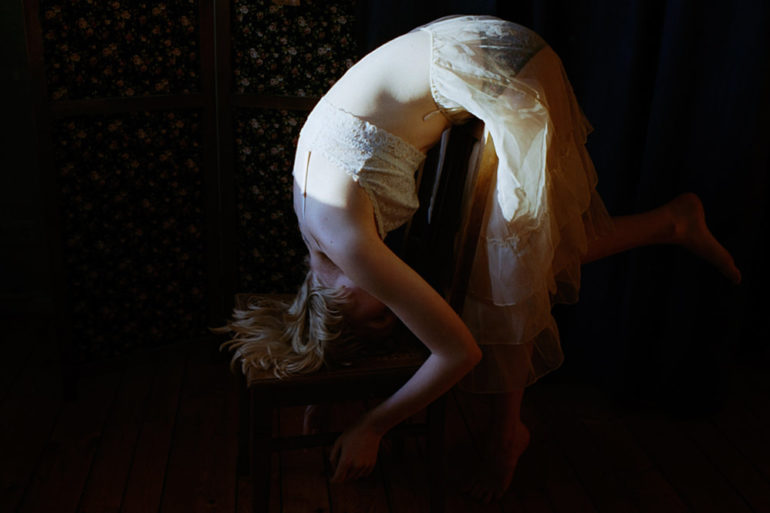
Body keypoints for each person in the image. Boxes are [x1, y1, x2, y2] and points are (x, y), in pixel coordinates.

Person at [217, 15, 741, 502]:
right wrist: (324, 386)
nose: (392, 310)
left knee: (507, 270)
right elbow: (331, 319)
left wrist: (371, 425)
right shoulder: (316, 232)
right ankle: (672, 223)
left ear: (336, 302)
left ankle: (506, 437)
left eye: (378, 317)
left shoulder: (349, 246)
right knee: (520, 255)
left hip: (502, 64)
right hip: (468, 47)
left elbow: (459, 353)